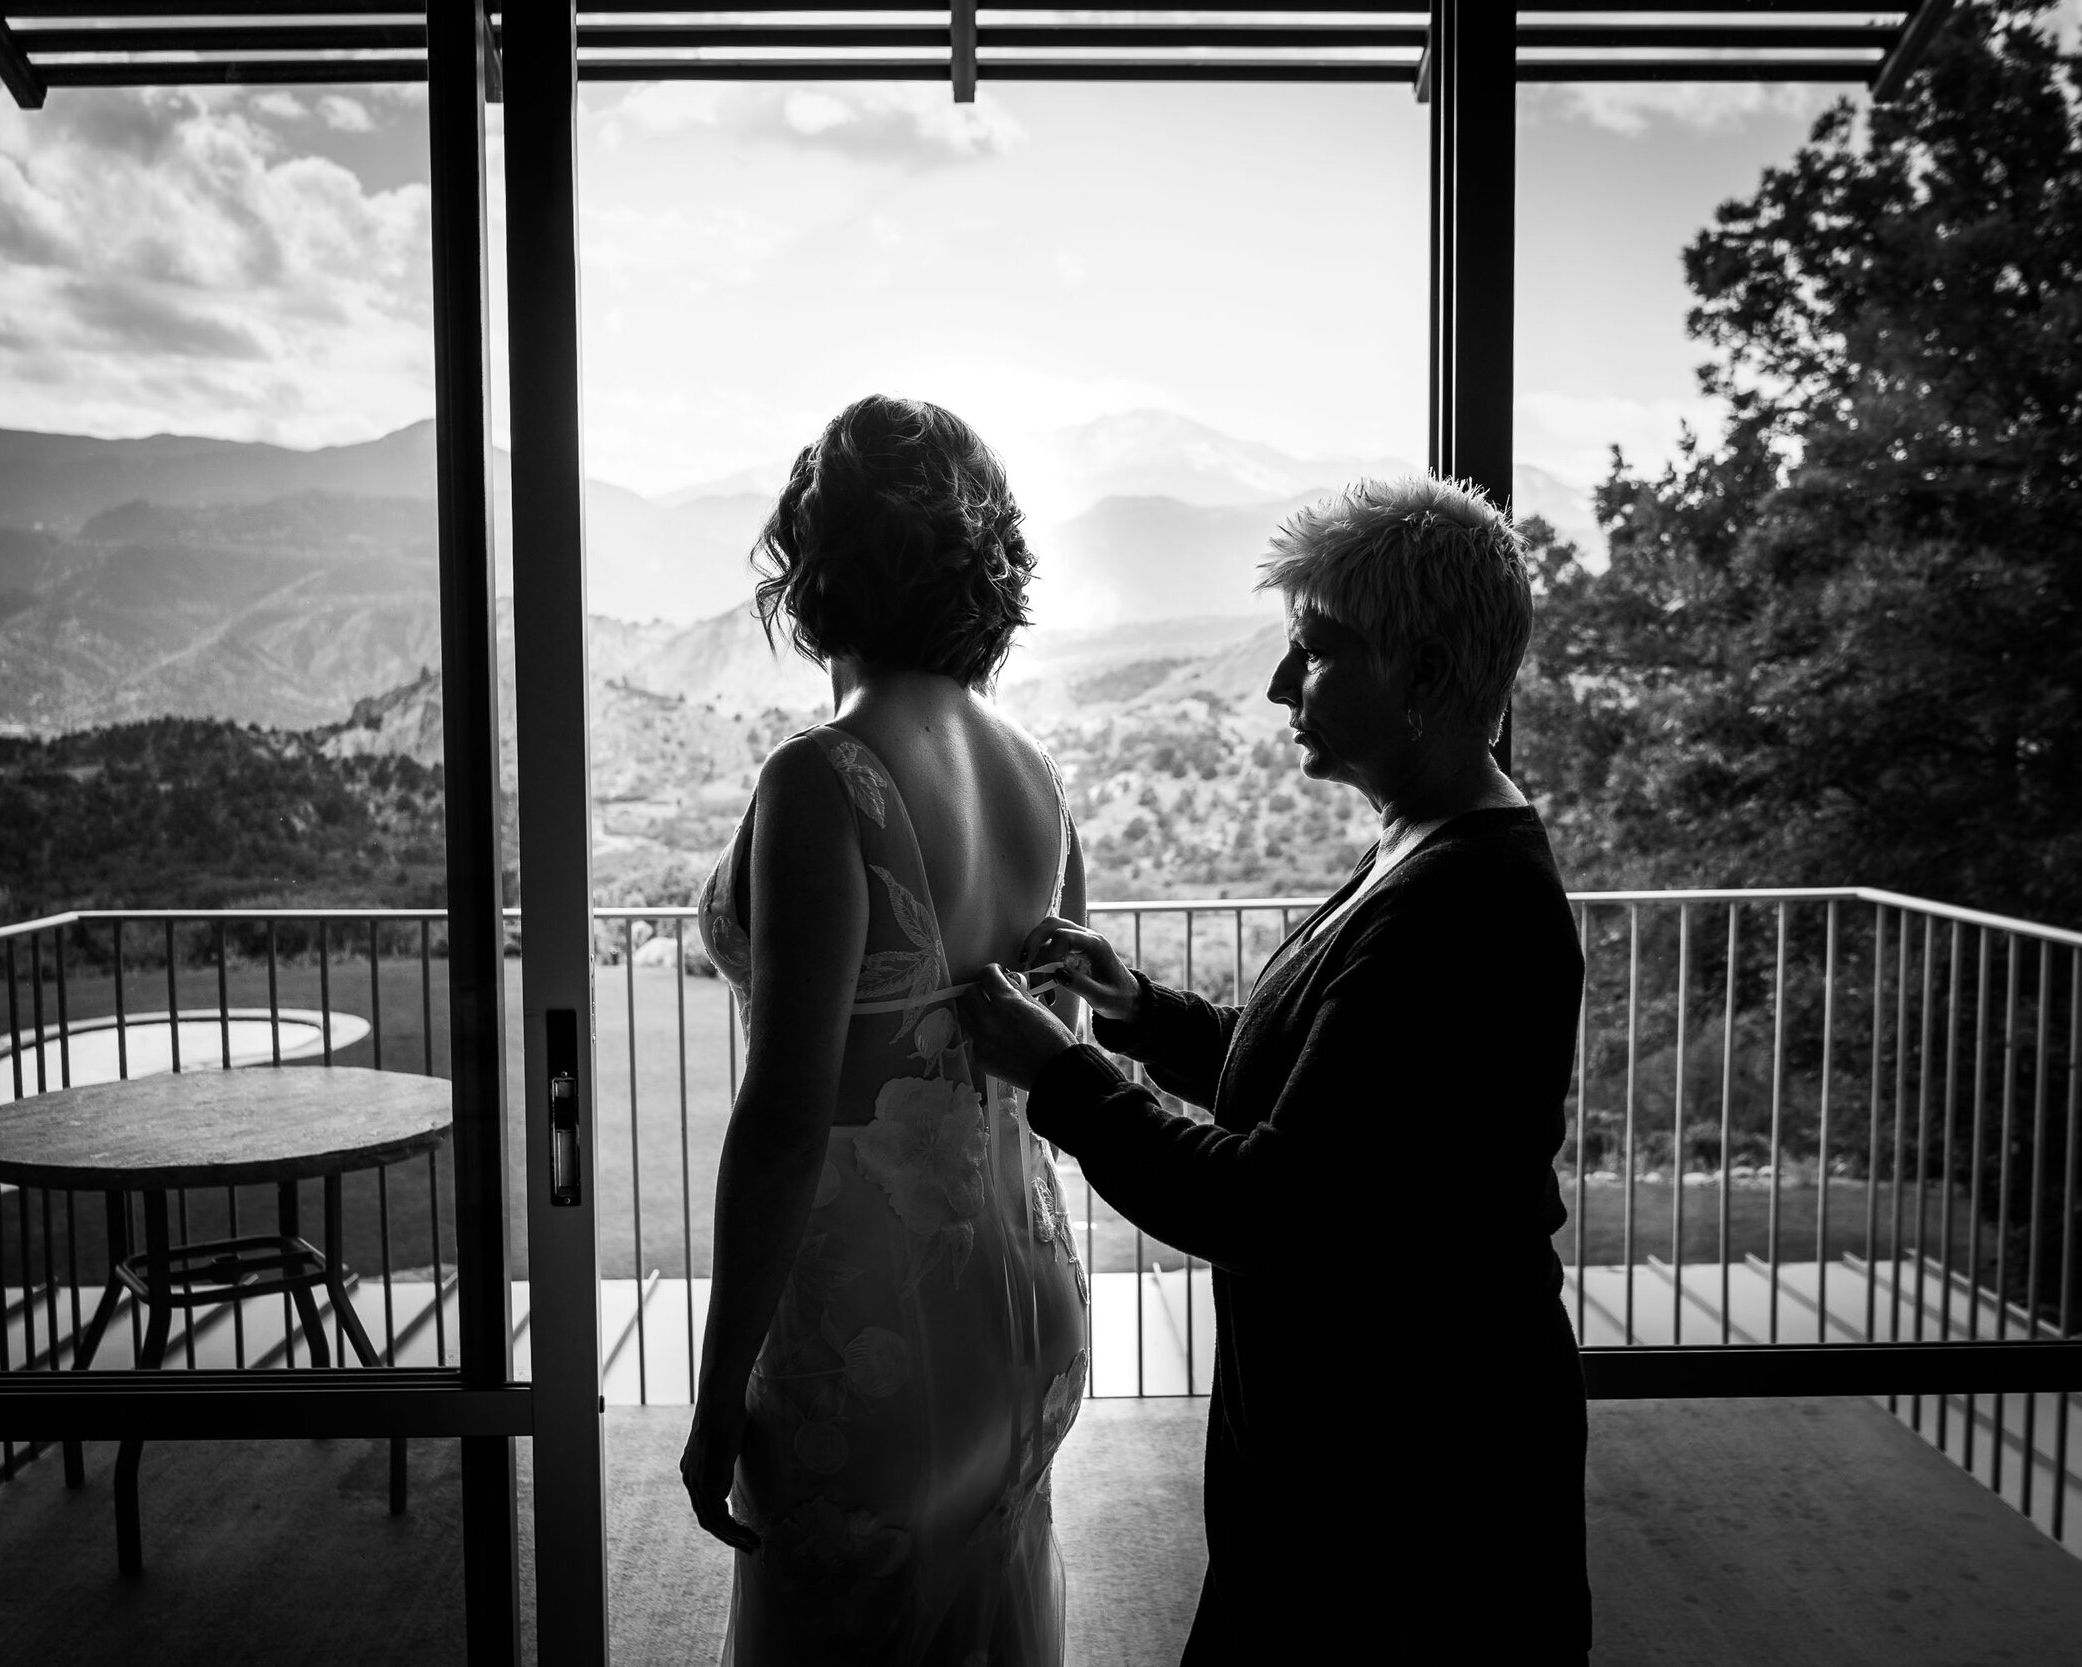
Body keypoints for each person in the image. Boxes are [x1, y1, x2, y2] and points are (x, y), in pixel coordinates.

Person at [958, 476, 1591, 1663]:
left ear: (1424, 669)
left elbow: (1273, 1202)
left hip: (1412, 1487)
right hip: (1354, 1453)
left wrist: (1064, 1076)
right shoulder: (1423, 843)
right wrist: (1139, 1010)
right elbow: (1329, 1079)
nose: (1279, 683)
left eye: (1315, 650)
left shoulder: (1467, 903)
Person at [682, 394, 1094, 1665]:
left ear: (814, 562)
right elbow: (1058, 1046)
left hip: (873, 1333)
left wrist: (712, 1396)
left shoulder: (822, 777)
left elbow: (785, 1118)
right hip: (1024, 1304)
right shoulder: (1035, 773)